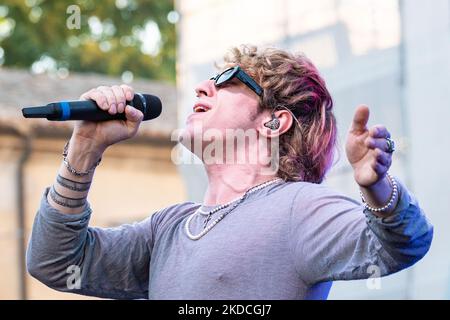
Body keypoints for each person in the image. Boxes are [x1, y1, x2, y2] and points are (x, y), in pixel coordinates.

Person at [26, 45, 433, 299]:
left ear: (274, 122)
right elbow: (55, 262)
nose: (203, 87)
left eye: (227, 81)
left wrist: (378, 187)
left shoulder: (297, 209)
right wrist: (84, 147)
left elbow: (403, 245)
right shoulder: (168, 227)